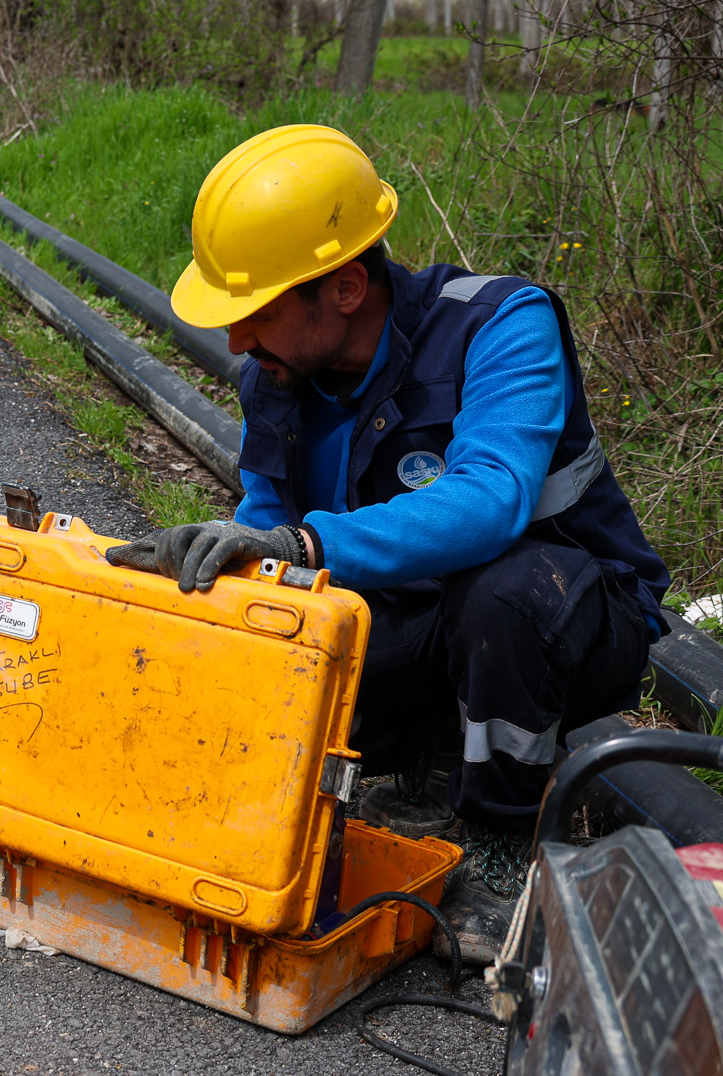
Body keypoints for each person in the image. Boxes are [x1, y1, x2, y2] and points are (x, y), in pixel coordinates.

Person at [106, 124, 669, 953]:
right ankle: (427, 762)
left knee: (502, 594)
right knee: (250, 639)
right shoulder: (278, 373)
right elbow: (267, 522)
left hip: (570, 618)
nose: (235, 341)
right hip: (409, 624)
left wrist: (299, 546)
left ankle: (501, 845)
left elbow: (491, 501)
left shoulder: (502, 325)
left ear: (344, 288)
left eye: (253, 312)